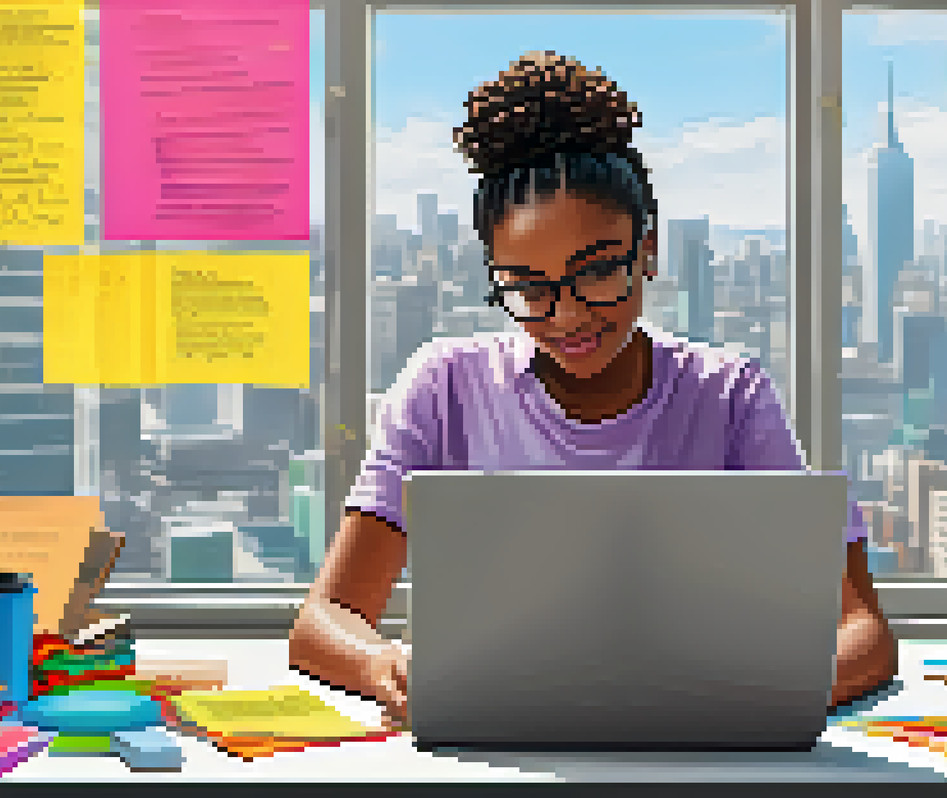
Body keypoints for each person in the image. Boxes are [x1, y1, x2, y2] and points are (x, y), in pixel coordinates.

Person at [288, 51, 897, 726]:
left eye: (600, 272)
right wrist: (382, 666)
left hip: (699, 750)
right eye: (528, 288)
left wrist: (741, 702)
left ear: (649, 249)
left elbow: (862, 632)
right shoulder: (443, 387)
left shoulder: (731, 396)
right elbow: (325, 619)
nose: (569, 314)